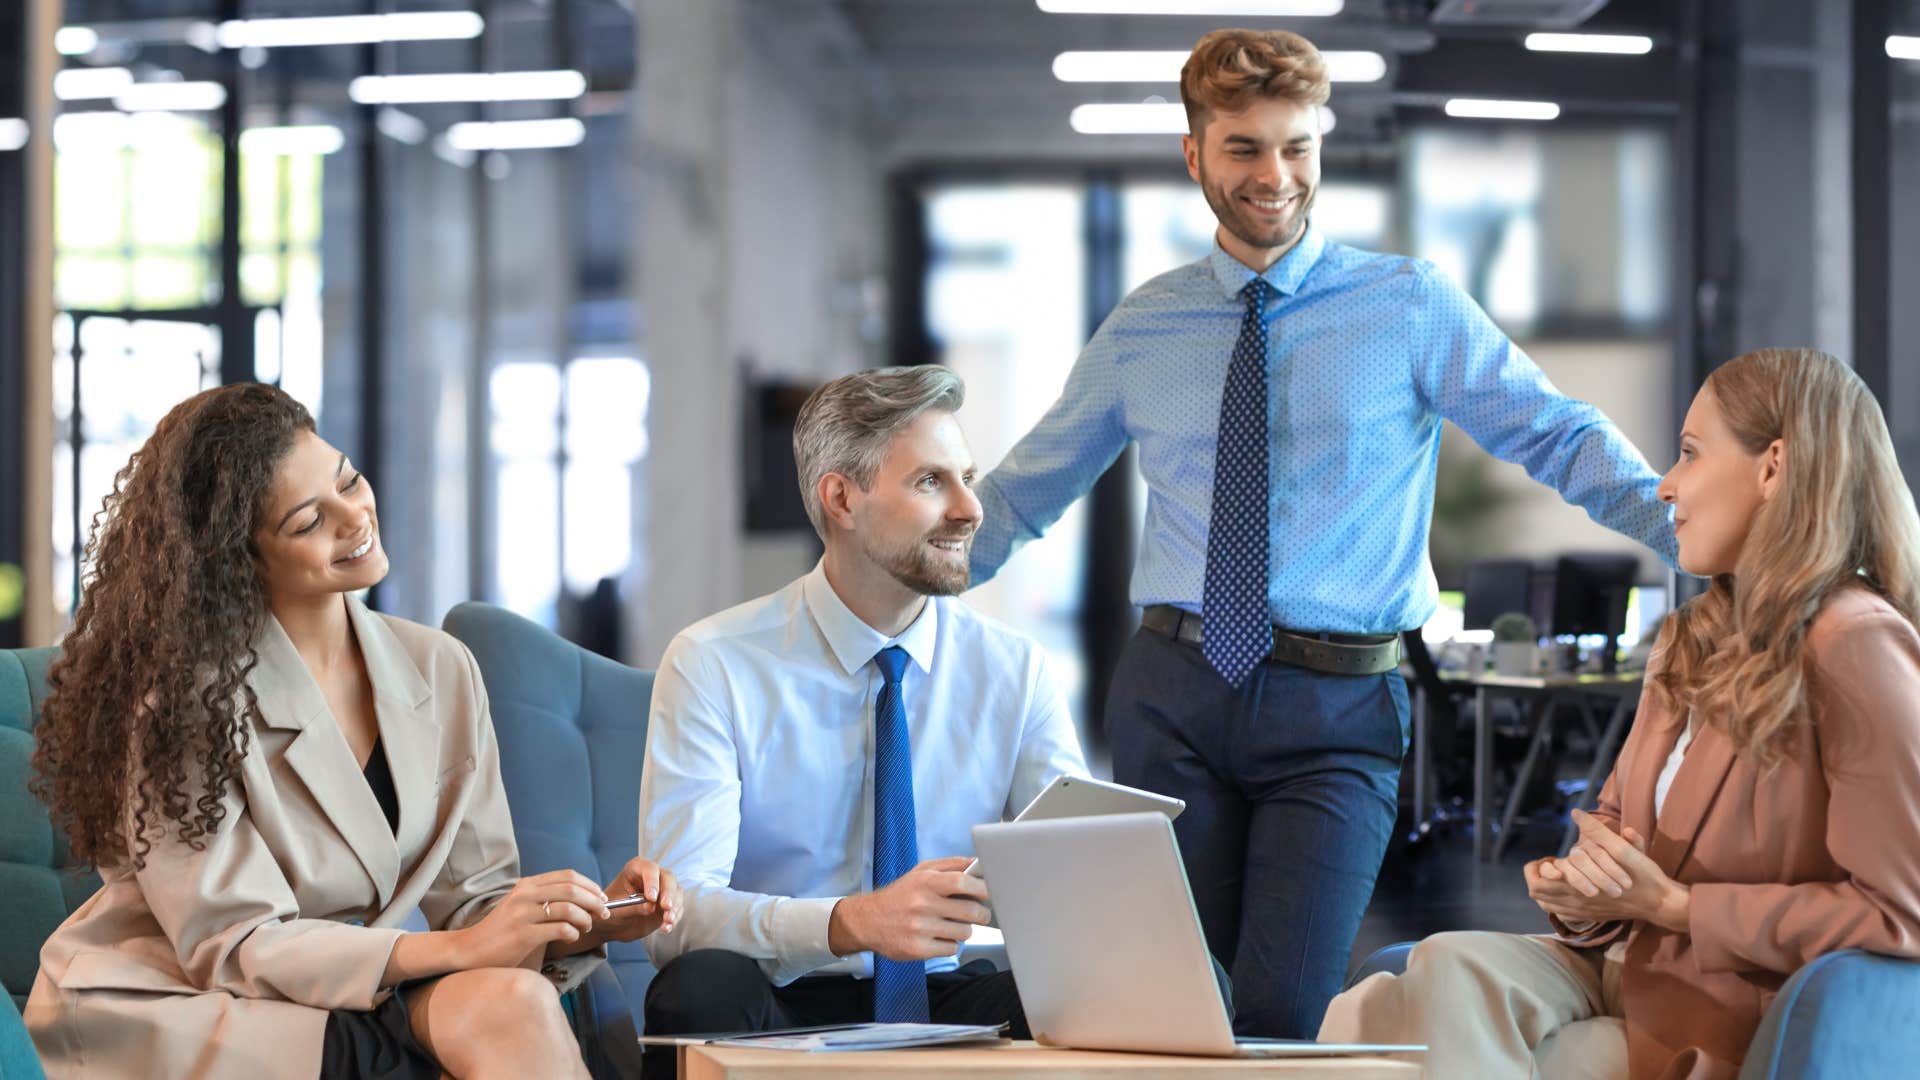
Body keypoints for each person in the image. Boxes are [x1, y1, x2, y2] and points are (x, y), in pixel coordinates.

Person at [965, 27, 1678, 1038]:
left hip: (1340, 711)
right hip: (1174, 697)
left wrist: (1697, 532)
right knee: (1167, 1005)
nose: (1275, 175)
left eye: (1296, 147)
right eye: (1245, 147)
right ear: (1195, 153)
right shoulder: (1144, 327)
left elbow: (1555, 432)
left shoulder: (1408, 306)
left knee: (1283, 1011)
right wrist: (912, 568)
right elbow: (1026, 490)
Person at [23, 383, 682, 1080]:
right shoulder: (184, 708)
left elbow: (475, 906)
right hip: (194, 1003)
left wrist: (589, 917)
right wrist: (459, 952)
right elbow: (236, 944)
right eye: (309, 521)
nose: (354, 517)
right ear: (238, 561)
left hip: (348, 993)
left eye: (348, 481)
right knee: (505, 1007)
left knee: (511, 997)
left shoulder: (441, 667)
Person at [1320, 348, 1920, 1079]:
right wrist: (1579, 889)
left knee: (1401, 1021)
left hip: (1728, 1008)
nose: (1665, 485)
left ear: (1772, 468)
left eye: (1690, 453)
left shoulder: (1856, 644)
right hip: (1621, 970)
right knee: (1437, 968)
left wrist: (1678, 907)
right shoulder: (1690, 638)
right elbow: (1614, 827)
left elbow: (1899, 913)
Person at [637, 365, 1088, 1079]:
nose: (971, 508)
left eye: (967, 477)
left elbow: (1078, 881)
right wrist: (852, 923)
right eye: (931, 482)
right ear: (842, 499)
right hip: (787, 991)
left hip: (952, 990)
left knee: (1164, 988)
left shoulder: (1014, 669)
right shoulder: (713, 664)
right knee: (698, 990)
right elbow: (678, 919)